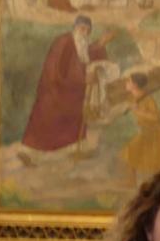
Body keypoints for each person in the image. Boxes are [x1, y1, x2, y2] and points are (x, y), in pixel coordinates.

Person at [22, 15, 114, 155]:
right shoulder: (64, 42)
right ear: (75, 28)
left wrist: (101, 43)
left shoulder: (81, 43)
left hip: (73, 91)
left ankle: (66, 151)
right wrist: (83, 78)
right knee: (48, 123)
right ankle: (33, 152)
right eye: (82, 29)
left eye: (88, 31)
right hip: (56, 90)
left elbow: (87, 54)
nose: (84, 33)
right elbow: (56, 69)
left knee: (73, 119)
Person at [121, 72, 160, 183]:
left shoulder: (147, 99)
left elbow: (157, 117)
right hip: (145, 132)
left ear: (134, 85)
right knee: (132, 153)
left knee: (132, 152)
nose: (126, 83)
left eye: (129, 81)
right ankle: (131, 182)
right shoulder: (134, 98)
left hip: (154, 133)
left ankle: (131, 182)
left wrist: (138, 111)